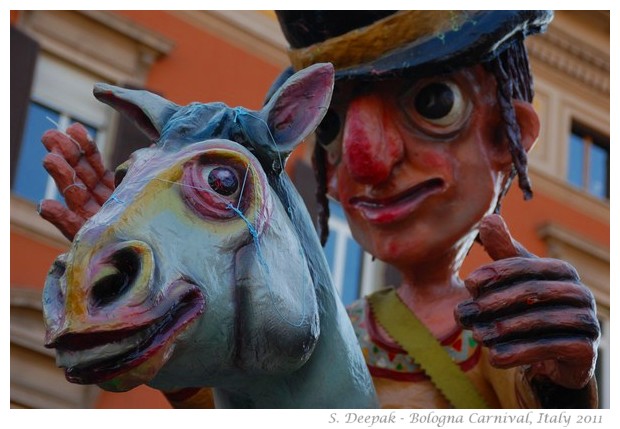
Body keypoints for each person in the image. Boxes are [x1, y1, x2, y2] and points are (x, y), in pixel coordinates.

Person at [39, 10, 600, 408]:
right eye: (331, 125)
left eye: (434, 104)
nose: (368, 160)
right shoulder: (327, 327)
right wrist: (155, 264)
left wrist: (565, 382)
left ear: (510, 137)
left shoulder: (501, 330)